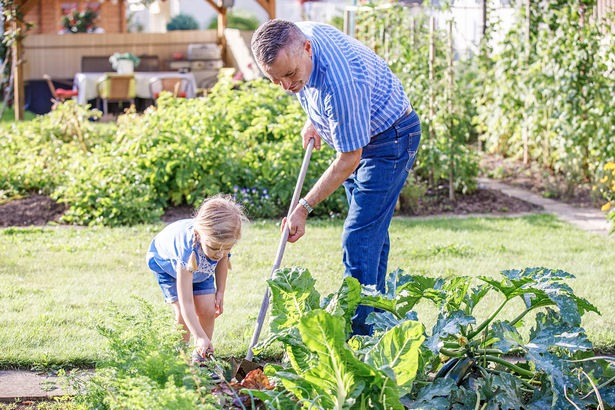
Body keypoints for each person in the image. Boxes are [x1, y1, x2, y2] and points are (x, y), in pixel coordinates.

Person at [252, 20, 421, 335]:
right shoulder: (295, 36)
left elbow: (349, 159)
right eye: (275, 80)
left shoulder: (341, 83)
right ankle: (377, 324)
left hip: (389, 140)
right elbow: (310, 87)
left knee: (358, 237)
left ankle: (358, 335)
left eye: (289, 75)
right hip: (364, 132)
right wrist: (315, 118)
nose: (286, 86)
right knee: (371, 236)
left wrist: (303, 207)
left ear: (306, 48)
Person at [146, 194, 248, 358]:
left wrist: (220, 291)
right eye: (214, 248)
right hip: (167, 265)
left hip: (200, 268)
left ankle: (201, 357)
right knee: (183, 314)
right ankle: (177, 358)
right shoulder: (187, 248)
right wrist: (199, 336)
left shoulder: (222, 241)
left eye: (226, 248)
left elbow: (223, 260)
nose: (220, 253)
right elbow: (186, 302)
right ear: (201, 236)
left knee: (208, 309)